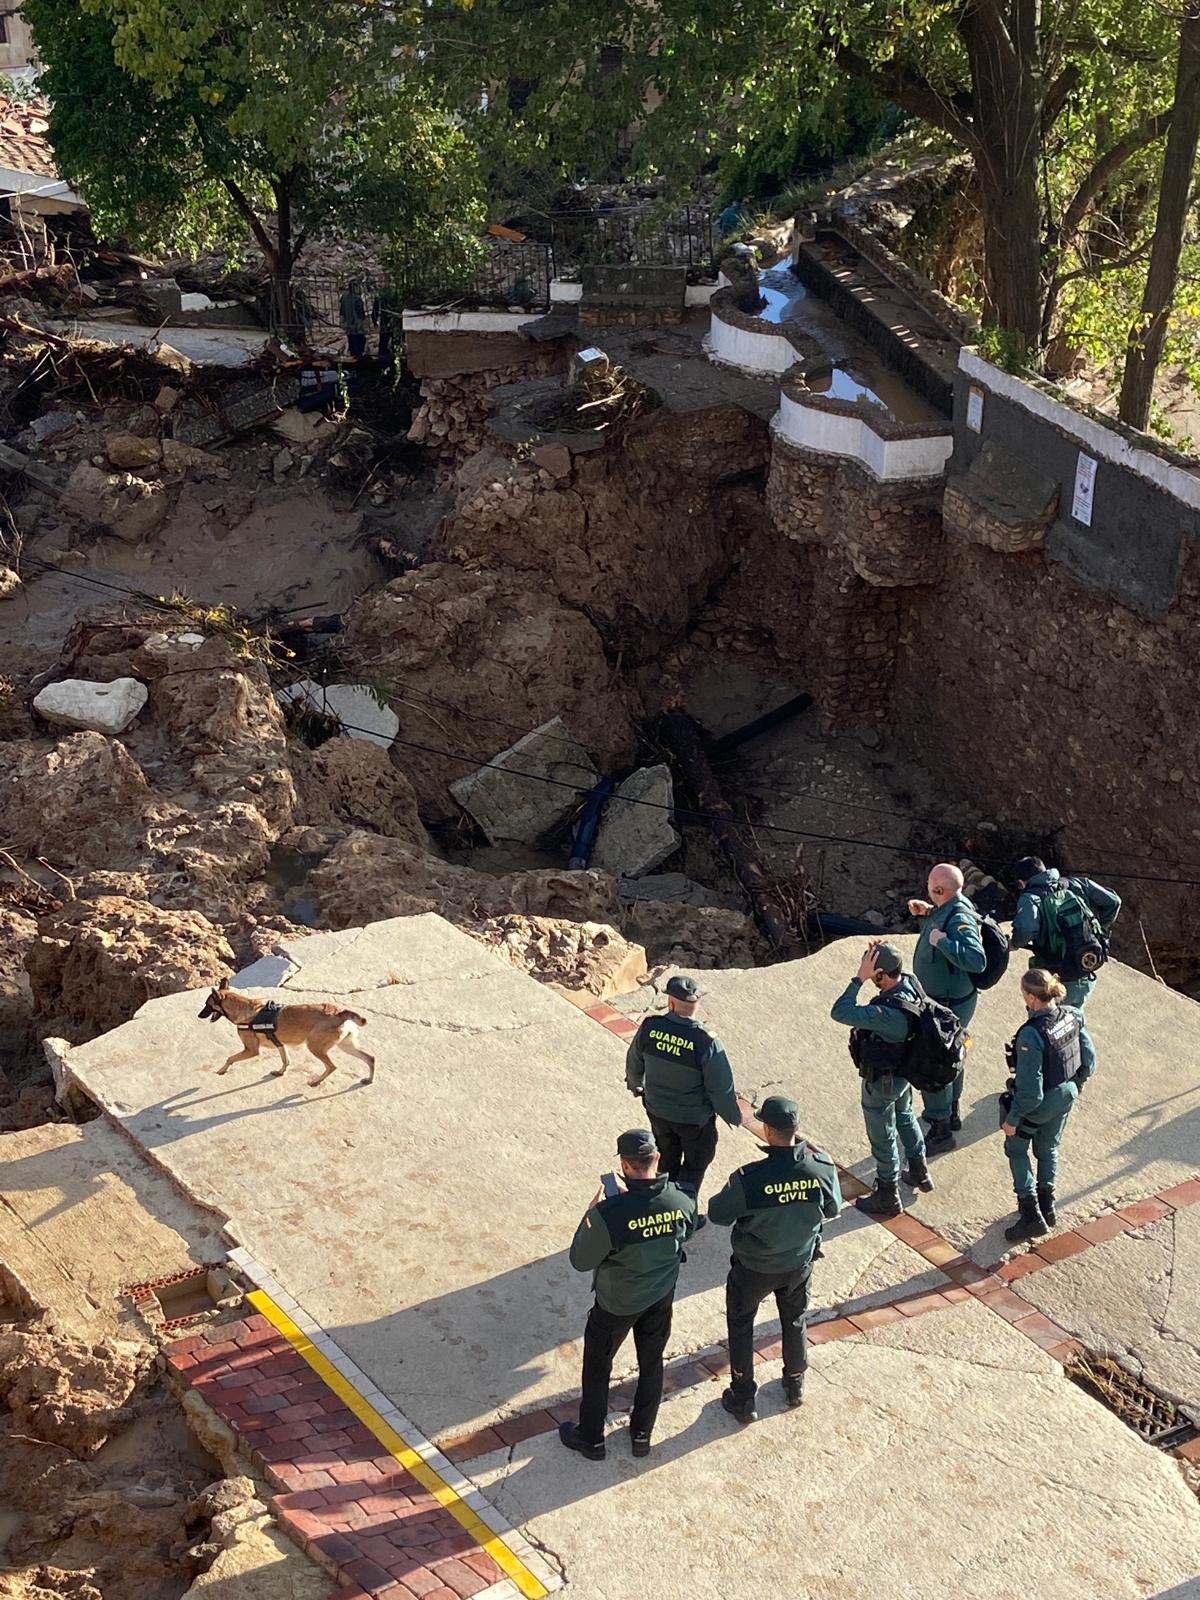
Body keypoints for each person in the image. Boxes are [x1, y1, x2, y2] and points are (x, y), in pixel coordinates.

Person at [560, 1128, 696, 1461]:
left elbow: (580, 1260)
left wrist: (592, 1213)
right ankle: (641, 1434)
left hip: (616, 1304)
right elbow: (687, 1232)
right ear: (657, 1158)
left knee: (598, 1367)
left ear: (623, 1164)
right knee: (651, 1363)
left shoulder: (610, 1213)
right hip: (660, 1296)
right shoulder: (682, 1198)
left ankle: (591, 1438)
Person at [708, 1095, 842, 1423]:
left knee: (741, 1324)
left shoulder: (751, 1178)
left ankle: (743, 1397)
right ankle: (795, 1384)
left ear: (767, 1130)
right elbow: (834, 1209)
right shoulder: (821, 1167)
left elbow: (717, 1213)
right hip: (798, 1264)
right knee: (794, 1319)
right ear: (796, 1130)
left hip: (754, 1267)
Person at [625, 974, 751, 1204]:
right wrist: (733, 1117)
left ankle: (662, 1205)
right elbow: (720, 1089)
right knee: (694, 1168)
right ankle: (685, 1217)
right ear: (697, 1004)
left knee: (666, 1162)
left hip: (658, 1113)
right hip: (695, 1121)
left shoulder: (650, 1028)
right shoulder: (706, 1042)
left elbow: (633, 1063)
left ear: (670, 1003)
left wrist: (636, 1087)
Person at [830, 941, 930, 1216]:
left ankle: (887, 1194)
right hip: (904, 1073)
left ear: (881, 975)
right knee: (906, 1116)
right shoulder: (910, 983)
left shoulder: (887, 1015)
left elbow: (840, 1012)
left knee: (882, 1134)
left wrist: (858, 979)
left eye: (873, 971)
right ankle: (919, 1170)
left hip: (883, 1082)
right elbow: (898, 970)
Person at [1000, 969, 1096, 1240]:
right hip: (1066, 1095)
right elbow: (1089, 1058)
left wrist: (1013, 1119)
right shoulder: (1072, 1015)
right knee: (1048, 1148)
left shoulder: (1031, 1035)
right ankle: (1048, 1206)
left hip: (1041, 1102)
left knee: (1016, 1148)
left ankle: (1030, 1214)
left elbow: (1030, 1093)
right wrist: (1077, 1084)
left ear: (1031, 997)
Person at [908, 862, 986, 1146]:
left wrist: (941, 941)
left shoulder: (959, 916)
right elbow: (945, 917)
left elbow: (976, 960)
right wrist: (928, 912)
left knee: (936, 1061)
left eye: (931, 888)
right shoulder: (950, 907)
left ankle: (940, 1127)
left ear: (939, 889)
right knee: (954, 1055)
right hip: (945, 1001)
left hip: (948, 1006)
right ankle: (951, 1110)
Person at [1011, 858, 1121, 1008]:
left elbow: (1027, 929)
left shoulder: (1030, 898)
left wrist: (1014, 943)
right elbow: (1114, 901)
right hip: (1086, 972)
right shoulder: (1074, 884)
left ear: (1021, 882)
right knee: (1074, 1023)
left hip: (1055, 980)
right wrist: (1098, 930)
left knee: (1046, 1026)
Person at [339, 279, 368, 358]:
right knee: (359, 341)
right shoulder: (357, 298)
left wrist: (342, 320)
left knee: (351, 340)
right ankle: (358, 357)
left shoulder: (344, 296)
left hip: (348, 323)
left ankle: (353, 355)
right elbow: (360, 313)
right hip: (356, 324)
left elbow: (341, 310)